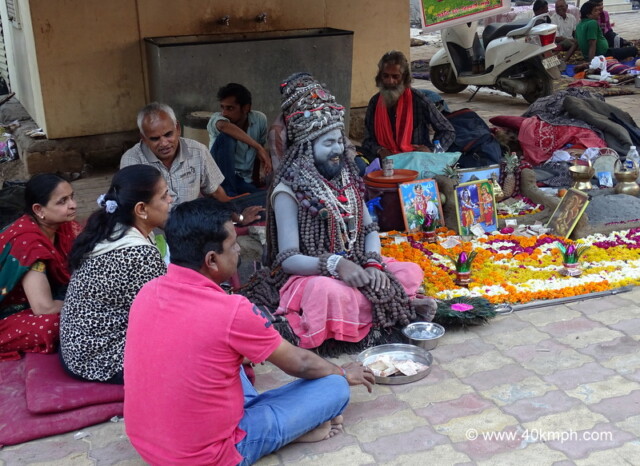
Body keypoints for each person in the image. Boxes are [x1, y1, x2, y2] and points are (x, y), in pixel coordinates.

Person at [123, 198, 376, 465]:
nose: (238, 252)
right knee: (334, 387)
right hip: (208, 456)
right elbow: (300, 364)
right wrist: (345, 373)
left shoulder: (147, 292)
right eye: (233, 246)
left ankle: (286, 424)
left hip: (148, 444)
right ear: (211, 260)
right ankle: (287, 431)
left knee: (229, 364)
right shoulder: (231, 310)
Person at [244, 73, 437, 352]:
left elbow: (369, 228)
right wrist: (336, 265)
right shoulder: (288, 190)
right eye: (328, 143)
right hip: (310, 276)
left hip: (358, 263)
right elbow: (288, 260)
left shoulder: (348, 177)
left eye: (338, 140)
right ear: (307, 148)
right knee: (328, 292)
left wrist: (371, 263)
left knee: (409, 270)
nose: (337, 149)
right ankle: (396, 307)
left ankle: (381, 306)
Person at [59, 165, 171, 384]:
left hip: (76, 347)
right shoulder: (139, 254)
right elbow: (162, 318)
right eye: (164, 196)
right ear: (141, 209)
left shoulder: (112, 228)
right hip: (99, 359)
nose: (170, 201)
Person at [120, 102, 263, 224]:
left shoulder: (197, 151)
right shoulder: (132, 161)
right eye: (155, 139)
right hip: (156, 235)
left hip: (192, 228)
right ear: (143, 138)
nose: (164, 143)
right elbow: (137, 213)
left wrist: (239, 218)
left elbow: (216, 193)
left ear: (177, 129)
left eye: (168, 134)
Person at [0, 174, 80, 360]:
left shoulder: (63, 227)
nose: (73, 205)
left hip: (38, 299)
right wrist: (85, 304)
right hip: (8, 311)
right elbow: (43, 308)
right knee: (55, 324)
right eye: (62, 201)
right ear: (39, 210)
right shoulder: (28, 244)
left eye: (71, 197)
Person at [362, 50, 455, 160]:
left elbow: (448, 131)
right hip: (385, 162)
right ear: (380, 77)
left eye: (395, 77)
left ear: (404, 78)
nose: (390, 81)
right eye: (385, 76)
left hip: (415, 161)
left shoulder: (419, 100)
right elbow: (367, 139)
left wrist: (431, 150)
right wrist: (379, 150)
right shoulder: (375, 102)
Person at [208, 83, 270, 198]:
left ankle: (234, 197)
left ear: (246, 108)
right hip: (218, 181)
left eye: (230, 108)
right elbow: (223, 127)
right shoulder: (217, 119)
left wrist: (255, 181)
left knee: (267, 198)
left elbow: (257, 157)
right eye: (222, 107)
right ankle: (228, 195)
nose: (225, 113)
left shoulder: (259, 120)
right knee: (226, 137)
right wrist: (259, 147)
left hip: (241, 181)